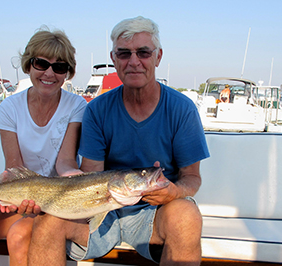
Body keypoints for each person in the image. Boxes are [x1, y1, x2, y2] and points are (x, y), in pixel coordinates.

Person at [27, 16, 210, 265]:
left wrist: (174, 192)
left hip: (154, 214)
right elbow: (91, 175)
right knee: (47, 223)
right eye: (124, 54)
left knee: (187, 215)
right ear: (114, 60)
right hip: (102, 212)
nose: (134, 62)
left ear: (158, 57)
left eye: (143, 53)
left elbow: (192, 177)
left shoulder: (182, 109)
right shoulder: (97, 109)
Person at [0, 28, 87, 266]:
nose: (49, 73)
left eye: (59, 67)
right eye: (41, 63)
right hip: (22, 193)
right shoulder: (9, 107)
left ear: (67, 73)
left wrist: (82, 181)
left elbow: (65, 162)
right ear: (28, 65)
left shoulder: (76, 105)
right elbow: (13, 165)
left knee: (19, 236)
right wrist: (12, 193)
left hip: (59, 199)